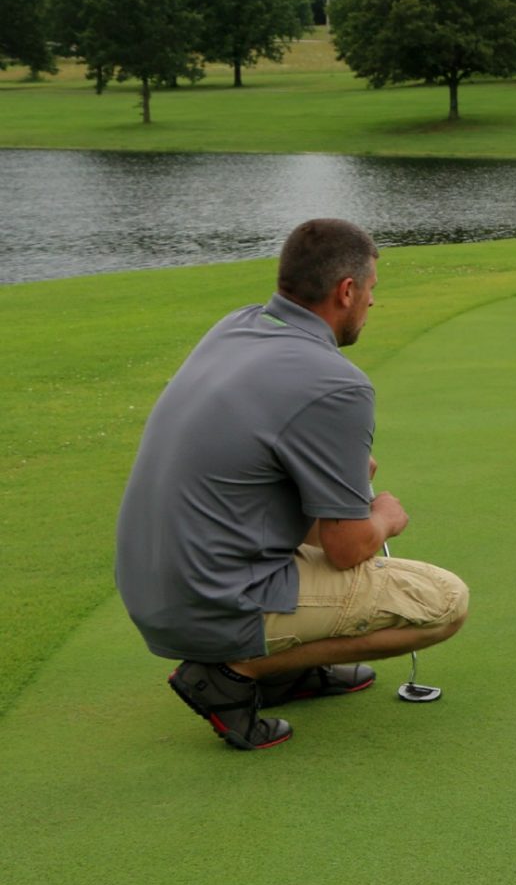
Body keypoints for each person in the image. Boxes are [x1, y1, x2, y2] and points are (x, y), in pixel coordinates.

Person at [114, 219, 470, 750]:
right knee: (444, 602)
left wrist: (340, 479)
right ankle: (236, 672)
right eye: (371, 289)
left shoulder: (235, 325)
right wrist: (387, 517)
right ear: (346, 291)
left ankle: (285, 671)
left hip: (151, 586)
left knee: (344, 532)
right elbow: (347, 547)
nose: (372, 302)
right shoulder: (338, 382)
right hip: (213, 599)